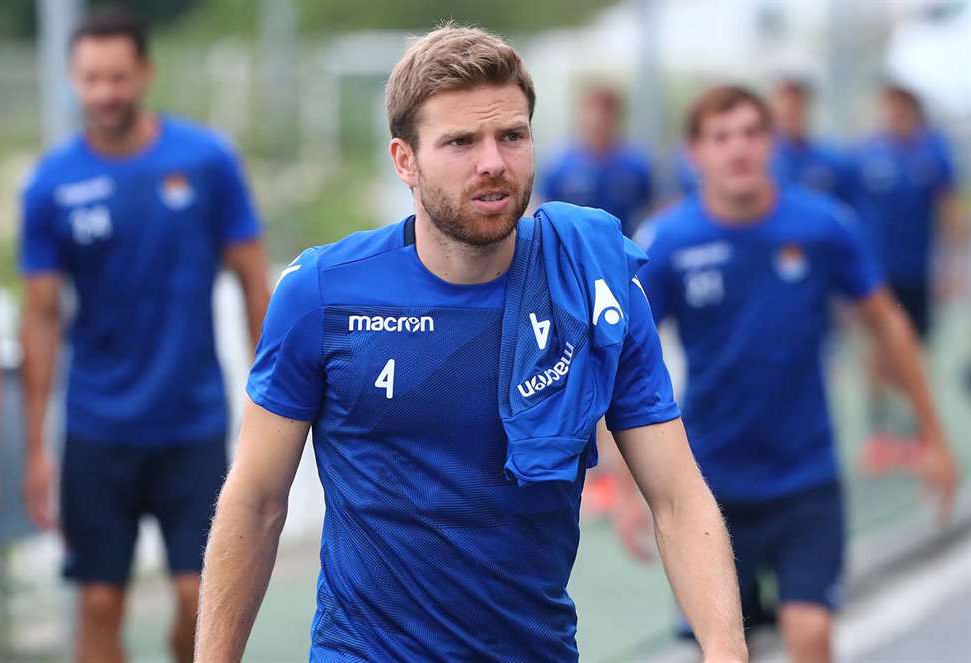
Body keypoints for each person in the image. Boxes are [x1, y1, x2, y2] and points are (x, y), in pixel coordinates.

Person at [195, 25, 746, 662]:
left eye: (512, 136)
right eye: (460, 142)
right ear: (405, 159)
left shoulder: (592, 285)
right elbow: (257, 501)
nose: (493, 163)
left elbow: (677, 499)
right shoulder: (321, 293)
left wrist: (726, 650)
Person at [624, 85, 958, 663]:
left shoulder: (822, 226)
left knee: (811, 632)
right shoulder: (668, 242)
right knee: (725, 649)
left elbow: (888, 325)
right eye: (721, 137)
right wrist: (630, 484)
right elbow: (620, 358)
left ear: (771, 144)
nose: (739, 149)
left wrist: (934, 437)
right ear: (694, 153)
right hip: (709, 483)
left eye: (752, 133)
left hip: (806, 477)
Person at [18, 8, 268, 663]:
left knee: (197, 597)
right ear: (73, 79)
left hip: (192, 422)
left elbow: (253, 279)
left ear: (145, 73)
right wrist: (37, 445)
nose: (105, 92)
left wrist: (269, 399)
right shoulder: (50, 184)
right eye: (91, 78)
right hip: (96, 428)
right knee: (100, 603)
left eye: (118, 77)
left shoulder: (206, 161)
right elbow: (40, 315)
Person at [850, 83, 963, 473]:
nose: (894, 115)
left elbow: (948, 212)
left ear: (913, 111)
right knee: (878, 354)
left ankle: (921, 433)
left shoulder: (933, 152)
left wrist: (950, 267)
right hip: (877, 277)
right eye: (889, 107)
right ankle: (880, 435)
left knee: (918, 352)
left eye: (901, 108)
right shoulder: (868, 154)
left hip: (918, 272)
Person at [539, 86, 654, 238]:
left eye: (606, 112)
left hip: (622, 246)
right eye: (592, 110)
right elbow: (543, 210)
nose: (598, 119)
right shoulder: (560, 166)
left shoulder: (636, 165)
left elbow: (652, 209)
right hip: (573, 248)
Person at [768, 78, 854, 202]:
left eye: (797, 108)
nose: (791, 116)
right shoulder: (765, 159)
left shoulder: (832, 160)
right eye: (786, 111)